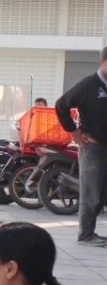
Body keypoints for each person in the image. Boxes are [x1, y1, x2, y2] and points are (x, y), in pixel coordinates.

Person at [56, 48, 107, 247]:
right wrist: (73, 130)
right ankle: (85, 235)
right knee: (91, 192)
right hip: (92, 148)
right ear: (103, 61)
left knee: (102, 193)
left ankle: (91, 232)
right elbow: (61, 105)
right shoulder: (89, 85)